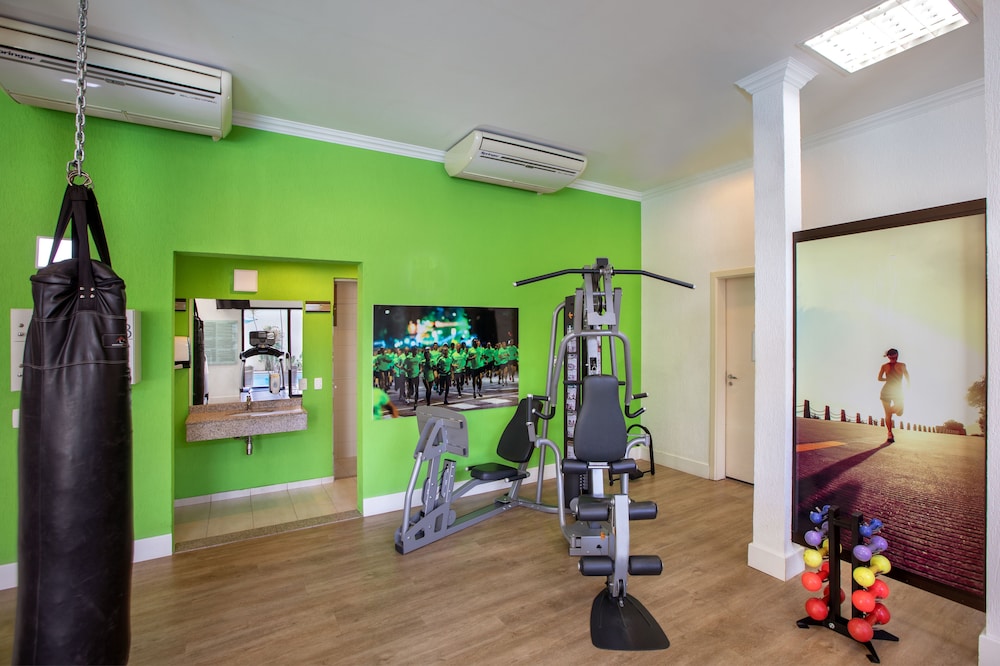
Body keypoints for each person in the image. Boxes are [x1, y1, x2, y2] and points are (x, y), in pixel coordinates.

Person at [877, 348, 909, 443]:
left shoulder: (886, 366)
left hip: (890, 390)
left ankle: (889, 415)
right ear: (897, 356)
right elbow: (907, 377)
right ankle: (890, 434)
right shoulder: (901, 365)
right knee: (896, 412)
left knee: (898, 412)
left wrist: (887, 380)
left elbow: (879, 378)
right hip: (894, 391)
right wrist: (908, 386)